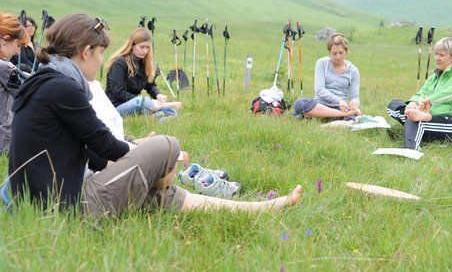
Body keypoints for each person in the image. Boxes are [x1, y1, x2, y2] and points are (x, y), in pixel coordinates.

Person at [7, 13, 302, 216]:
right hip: (68, 207)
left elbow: (93, 154)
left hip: (45, 201)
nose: (100, 62)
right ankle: (165, 174)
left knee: (158, 196)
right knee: (167, 144)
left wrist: (138, 156)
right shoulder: (62, 88)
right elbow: (106, 145)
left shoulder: (45, 80)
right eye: (98, 54)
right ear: (85, 51)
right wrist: (149, 154)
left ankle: (258, 208)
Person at [387, 37, 452, 150]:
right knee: (394, 105)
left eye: (441, 55)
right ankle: (414, 119)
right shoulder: (434, 77)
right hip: (431, 117)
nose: (437, 58)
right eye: (436, 54)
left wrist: (430, 100)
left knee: (417, 122)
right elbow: (421, 93)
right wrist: (413, 103)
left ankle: (410, 148)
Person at [105, 28, 182, 121]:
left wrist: (157, 95)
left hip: (137, 105)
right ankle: (157, 107)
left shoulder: (144, 63)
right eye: (142, 47)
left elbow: (150, 85)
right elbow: (118, 92)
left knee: (172, 112)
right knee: (142, 101)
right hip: (116, 108)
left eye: (147, 47)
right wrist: (144, 101)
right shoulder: (119, 63)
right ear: (132, 45)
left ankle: (147, 117)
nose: (145, 51)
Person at [293, 33, 361, 125]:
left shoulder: (353, 71)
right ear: (329, 53)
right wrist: (339, 100)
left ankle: (324, 124)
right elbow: (319, 90)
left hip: (340, 107)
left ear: (347, 51)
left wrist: (354, 102)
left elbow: (354, 97)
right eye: (334, 53)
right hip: (320, 106)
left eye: (341, 53)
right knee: (300, 103)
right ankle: (340, 119)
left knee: (353, 119)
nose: (338, 57)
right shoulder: (322, 63)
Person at [0, 11, 29, 154]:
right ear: (5, 40)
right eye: (18, 45)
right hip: (3, 139)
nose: (18, 52)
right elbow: (25, 90)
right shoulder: (4, 67)